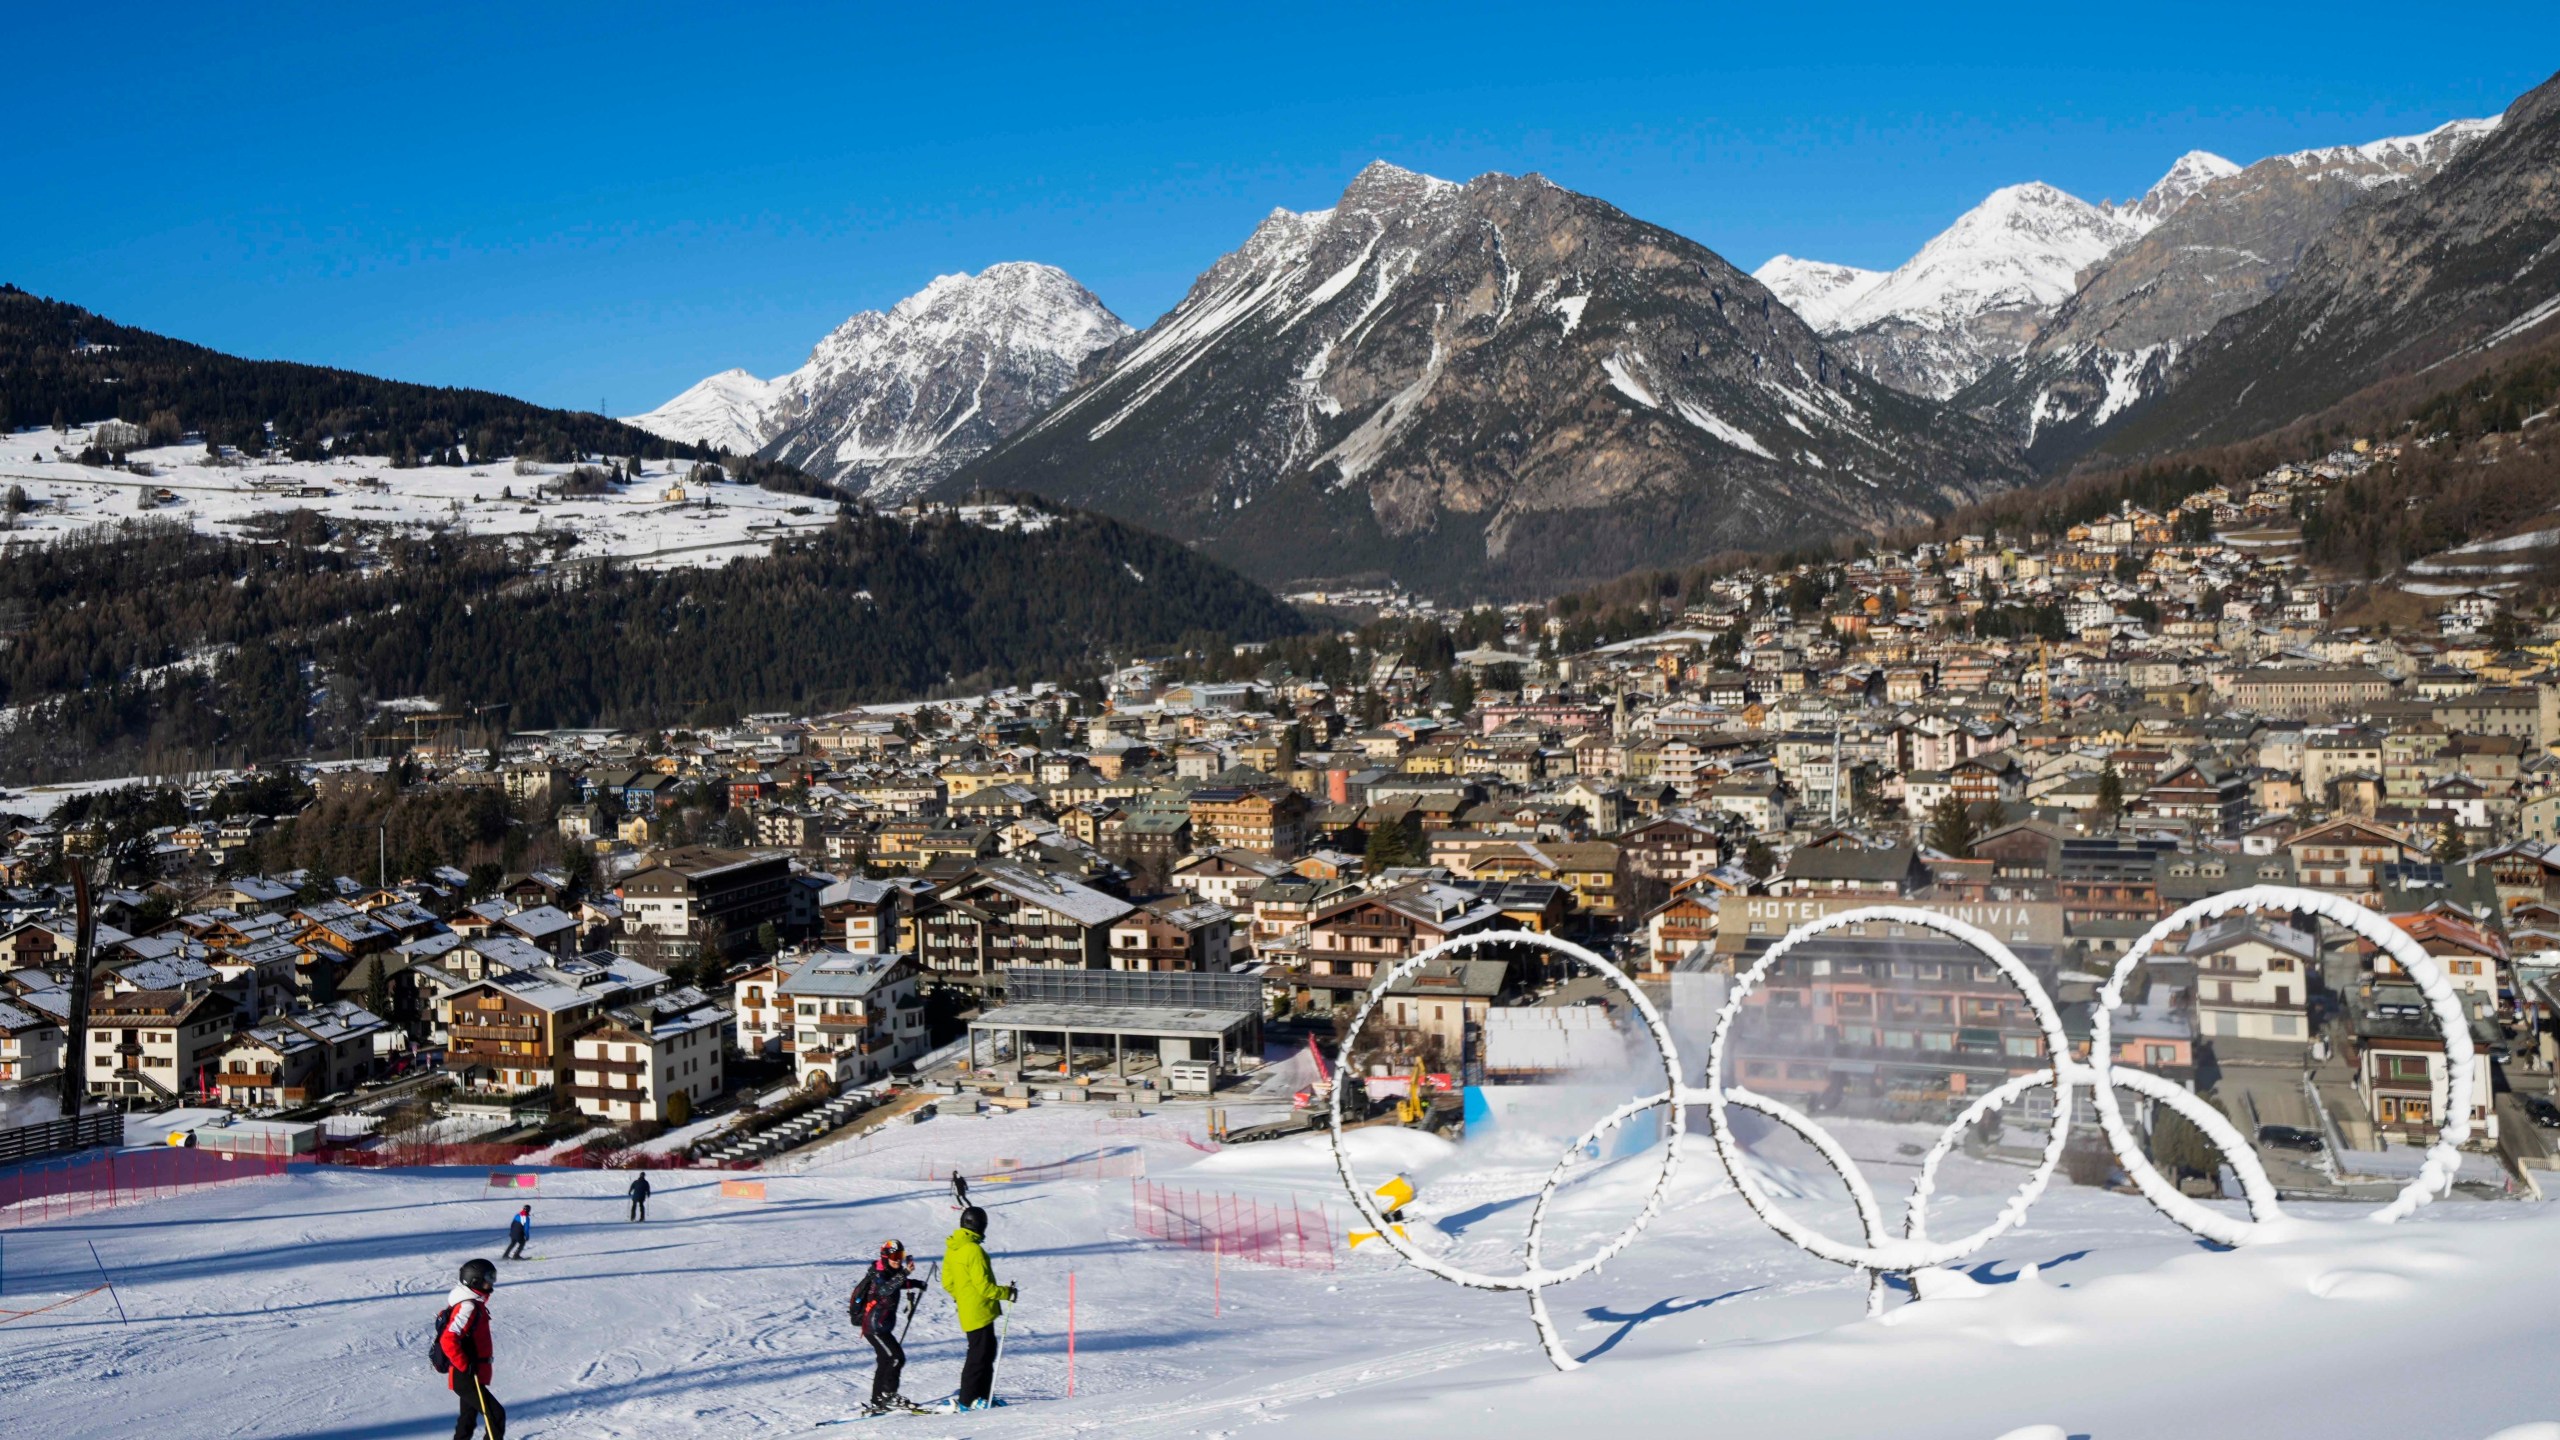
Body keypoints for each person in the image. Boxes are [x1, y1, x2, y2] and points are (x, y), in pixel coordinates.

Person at [941, 1205, 1016, 1411]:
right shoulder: (974, 1250)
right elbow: (986, 1287)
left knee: (984, 1353)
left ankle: (983, 1396)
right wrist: (1007, 1293)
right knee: (979, 1356)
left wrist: (963, 1297)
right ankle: (968, 1399)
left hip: (970, 1310)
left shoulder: (953, 1247)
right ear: (981, 1226)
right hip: (980, 1310)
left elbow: (947, 1282)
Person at [849, 1238, 927, 1414]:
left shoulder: (891, 1272)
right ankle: (889, 1395)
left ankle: (877, 1400)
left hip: (881, 1326)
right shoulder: (878, 1274)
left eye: (900, 1255)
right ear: (885, 1256)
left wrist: (916, 1283)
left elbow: (897, 1284)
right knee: (896, 1358)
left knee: (885, 1361)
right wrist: (905, 1273)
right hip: (874, 1327)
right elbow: (886, 1289)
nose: (897, 1259)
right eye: (894, 1256)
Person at [441, 1258, 506, 1440]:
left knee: (468, 1419)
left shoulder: (473, 1304)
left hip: (471, 1372)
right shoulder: (468, 1307)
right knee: (496, 1415)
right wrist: (465, 1365)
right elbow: (448, 1339)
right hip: (467, 1374)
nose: (492, 1282)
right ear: (475, 1280)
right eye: (489, 1277)